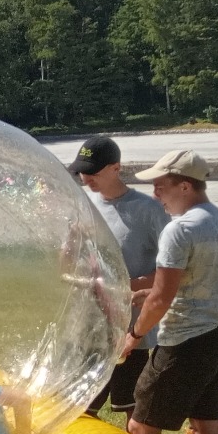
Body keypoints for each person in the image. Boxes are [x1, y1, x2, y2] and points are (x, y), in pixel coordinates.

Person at [121, 150, 218, 434]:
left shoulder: (180, 229)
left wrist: (133, 336)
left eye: (161, 186)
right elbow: (204, 279)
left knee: (140, 427)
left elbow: (161, 299)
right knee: (209, 428)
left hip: (184, 342)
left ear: (185, 187)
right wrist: (157, 293)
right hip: (217, 338)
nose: (155, 193)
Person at [69, 134, 166, 417]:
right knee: (82, 410)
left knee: (133, 414)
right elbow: (68, 266)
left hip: (130, 331)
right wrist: (72, 241)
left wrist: (135, 285)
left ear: (116, 168)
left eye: (93, 172)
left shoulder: (147, 211)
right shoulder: (84, 206)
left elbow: (174, 269)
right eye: (82, 172)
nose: (86, 179)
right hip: (91, 330)